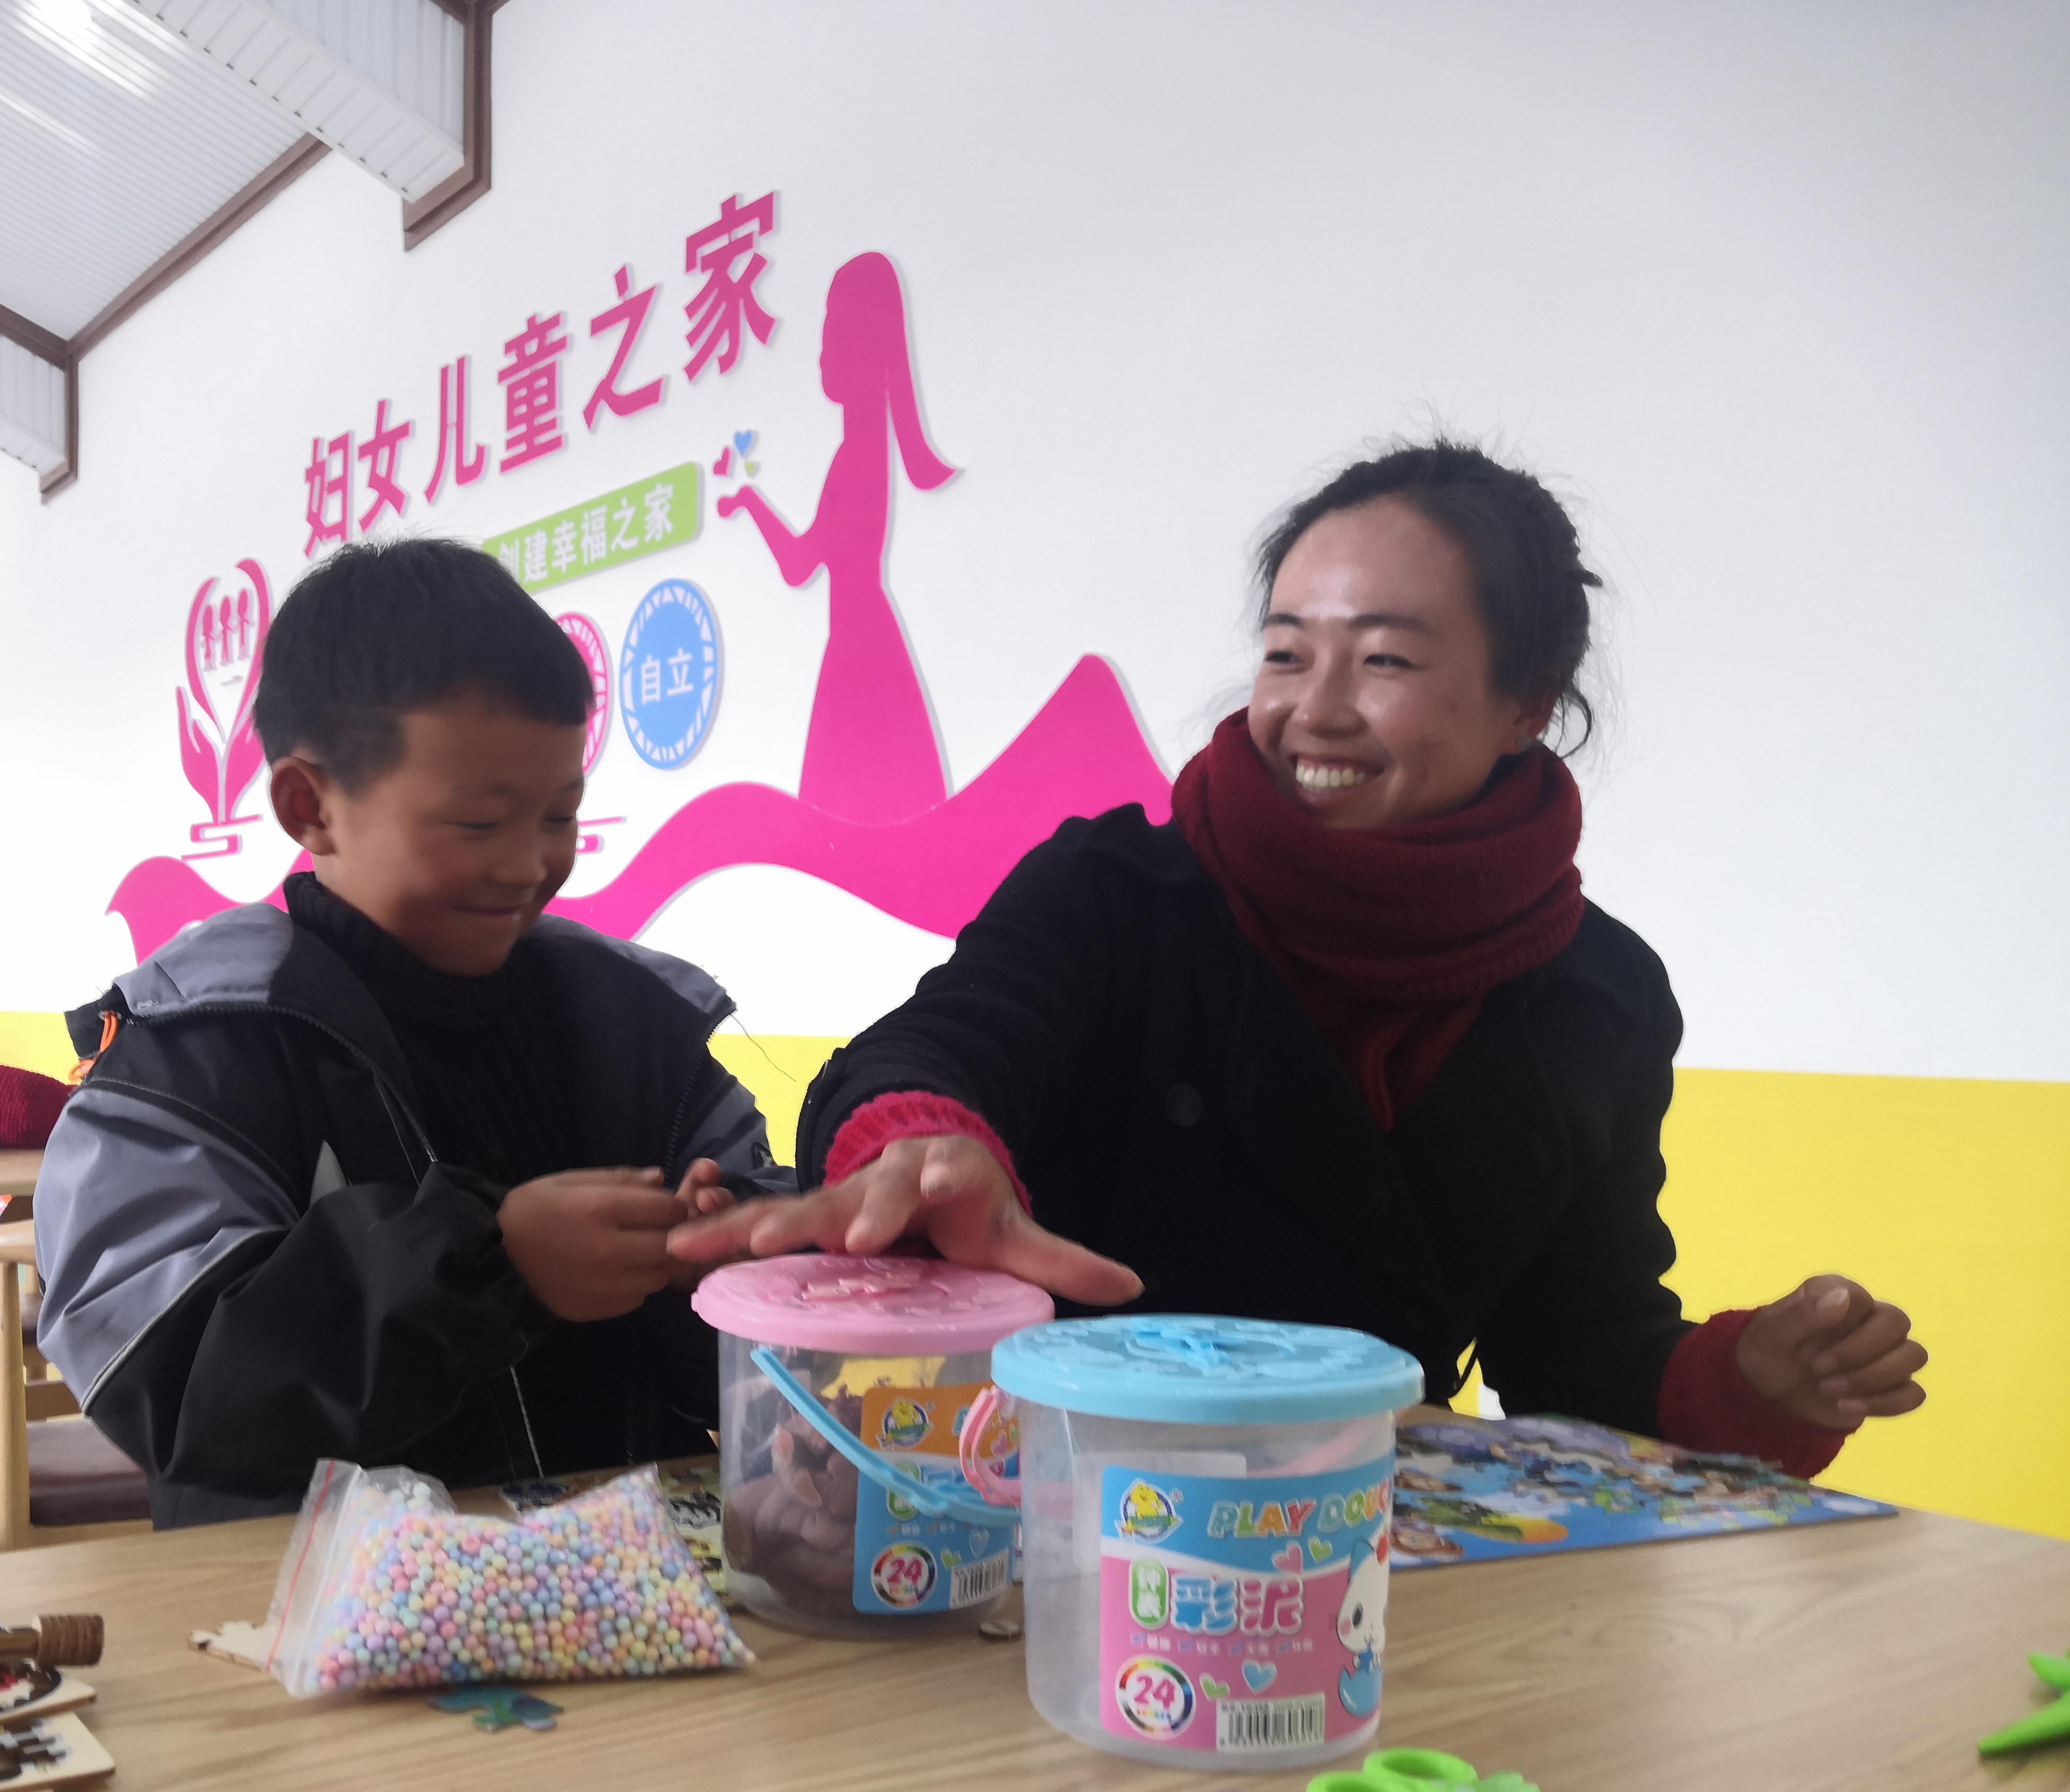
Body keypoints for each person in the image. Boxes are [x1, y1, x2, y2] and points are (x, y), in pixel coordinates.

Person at [672, 442, 1924, 1477]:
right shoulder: (1118, 892)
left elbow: (1579, 1355)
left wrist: (1747, 1378)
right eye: (1286, 651)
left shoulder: (1597, 995)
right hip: (1043, 1513)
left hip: (1352, 1546)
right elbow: (945, 1040)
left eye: (1384, 660)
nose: (1312, 709)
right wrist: (920, 1137)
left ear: (1526, 703)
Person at [37, 538, 788, 1526]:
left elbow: (765, 1348)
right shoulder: (201, 1049)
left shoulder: (640, 1025)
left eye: (560, 816)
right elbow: (165, 1374)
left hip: (625, 1578)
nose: (529, 865)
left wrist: (721, 1257)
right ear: (311, 808)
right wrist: (495, 1265)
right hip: (316, 1597)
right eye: (479, 825)